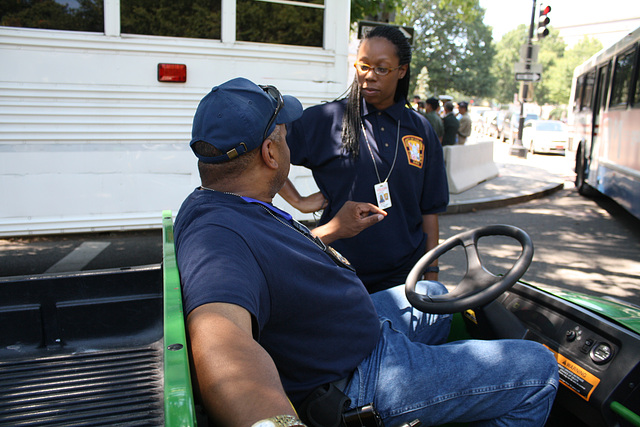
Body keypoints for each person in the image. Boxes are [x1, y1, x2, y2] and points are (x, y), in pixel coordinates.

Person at [174, 77, 559, 427]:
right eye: (285, 135)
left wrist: (331, 230)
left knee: (434, 295)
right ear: (271, 154)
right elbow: (223, 342)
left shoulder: (230, 203)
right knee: (540, 368)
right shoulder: (216, 234)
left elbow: (269, 262)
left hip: (350, 332)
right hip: (356, 375)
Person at [280, 25, 448, 293]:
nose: (369, 76)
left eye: (382, 68)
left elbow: (429, 210)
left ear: (402, 70)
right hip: (339, 271)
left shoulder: (421, 129)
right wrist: (297, 201)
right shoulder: (327, 119)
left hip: (404, 276)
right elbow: (265, 151)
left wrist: (432, 272)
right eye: (363, 66)